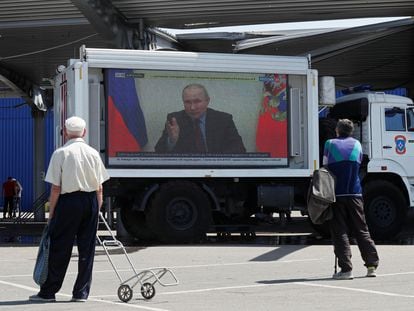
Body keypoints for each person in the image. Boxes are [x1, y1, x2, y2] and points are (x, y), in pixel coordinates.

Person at [30, 116, 109, 302]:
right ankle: (81, 292)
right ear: (85, 132)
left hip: (68, 201)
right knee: (87, 249)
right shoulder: (93, 153)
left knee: (60, 247)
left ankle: (49, 292)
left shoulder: (61, 153)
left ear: (65, 132)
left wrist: (52, 213)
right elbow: (100, 187)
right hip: (90, 200)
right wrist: (97, 208)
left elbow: (56, 188)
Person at [323, 119, 379, 280]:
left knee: (340, 231)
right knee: (362, 229)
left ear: (337, 130)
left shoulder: (330, 144)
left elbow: (325, 166)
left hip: (337, 193)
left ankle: (346, 269)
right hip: (355, 193)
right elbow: (358, 163)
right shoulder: (357, 144)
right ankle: (371, 266)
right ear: (351, 131)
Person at [155, 83, 246, 154]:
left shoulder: (224, 120)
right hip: (186, 172)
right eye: (187, 102)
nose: (192, 107)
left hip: (216, 170)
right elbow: (158, 152)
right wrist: (171, 141)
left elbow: (239, 150)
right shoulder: (175, 120)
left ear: (207, 101)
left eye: (197, 101)